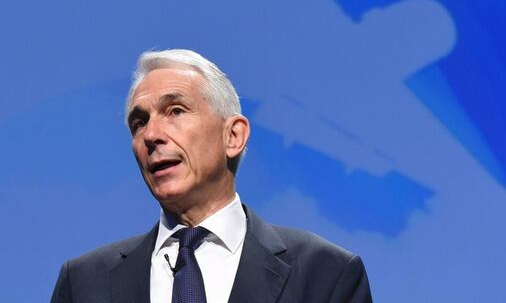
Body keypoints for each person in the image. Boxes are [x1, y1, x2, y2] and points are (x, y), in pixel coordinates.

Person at [50, 49, 372, 303]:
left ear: (233, 136)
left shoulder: (326, 274)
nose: (151, 135)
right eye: (139, 123)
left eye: (175, 111)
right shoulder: (82, 283)